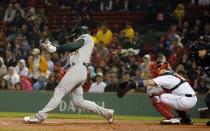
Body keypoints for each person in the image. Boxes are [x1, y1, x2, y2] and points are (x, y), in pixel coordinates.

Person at [24, 26, 114, 124]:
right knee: (78, 102)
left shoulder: (86, 37)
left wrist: (55, 48)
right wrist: (50, 46)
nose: (73, 39)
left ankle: (40, 116)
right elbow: (66, 50)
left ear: (77, 34)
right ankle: (106, 113)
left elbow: (71, 46)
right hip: (78, 70)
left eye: (74, 37)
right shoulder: (78, 49)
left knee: (59, 91)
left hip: (78, 69)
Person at [117, 60, 197, 125]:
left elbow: (149, 82)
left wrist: (133, 84)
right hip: (191, 99)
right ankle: (186, 118)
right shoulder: (172, 73)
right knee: (161, 93)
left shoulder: (165, 77)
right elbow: (167, 64)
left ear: (159, 69)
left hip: (185, 100)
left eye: (154, 69)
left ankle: (172, 119)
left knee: (159, 96)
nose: (152, 71)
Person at [189, 39, 210, 126]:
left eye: (198, 51)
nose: (196, 53)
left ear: (204, 50)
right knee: (208, 99)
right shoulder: (203, 60)